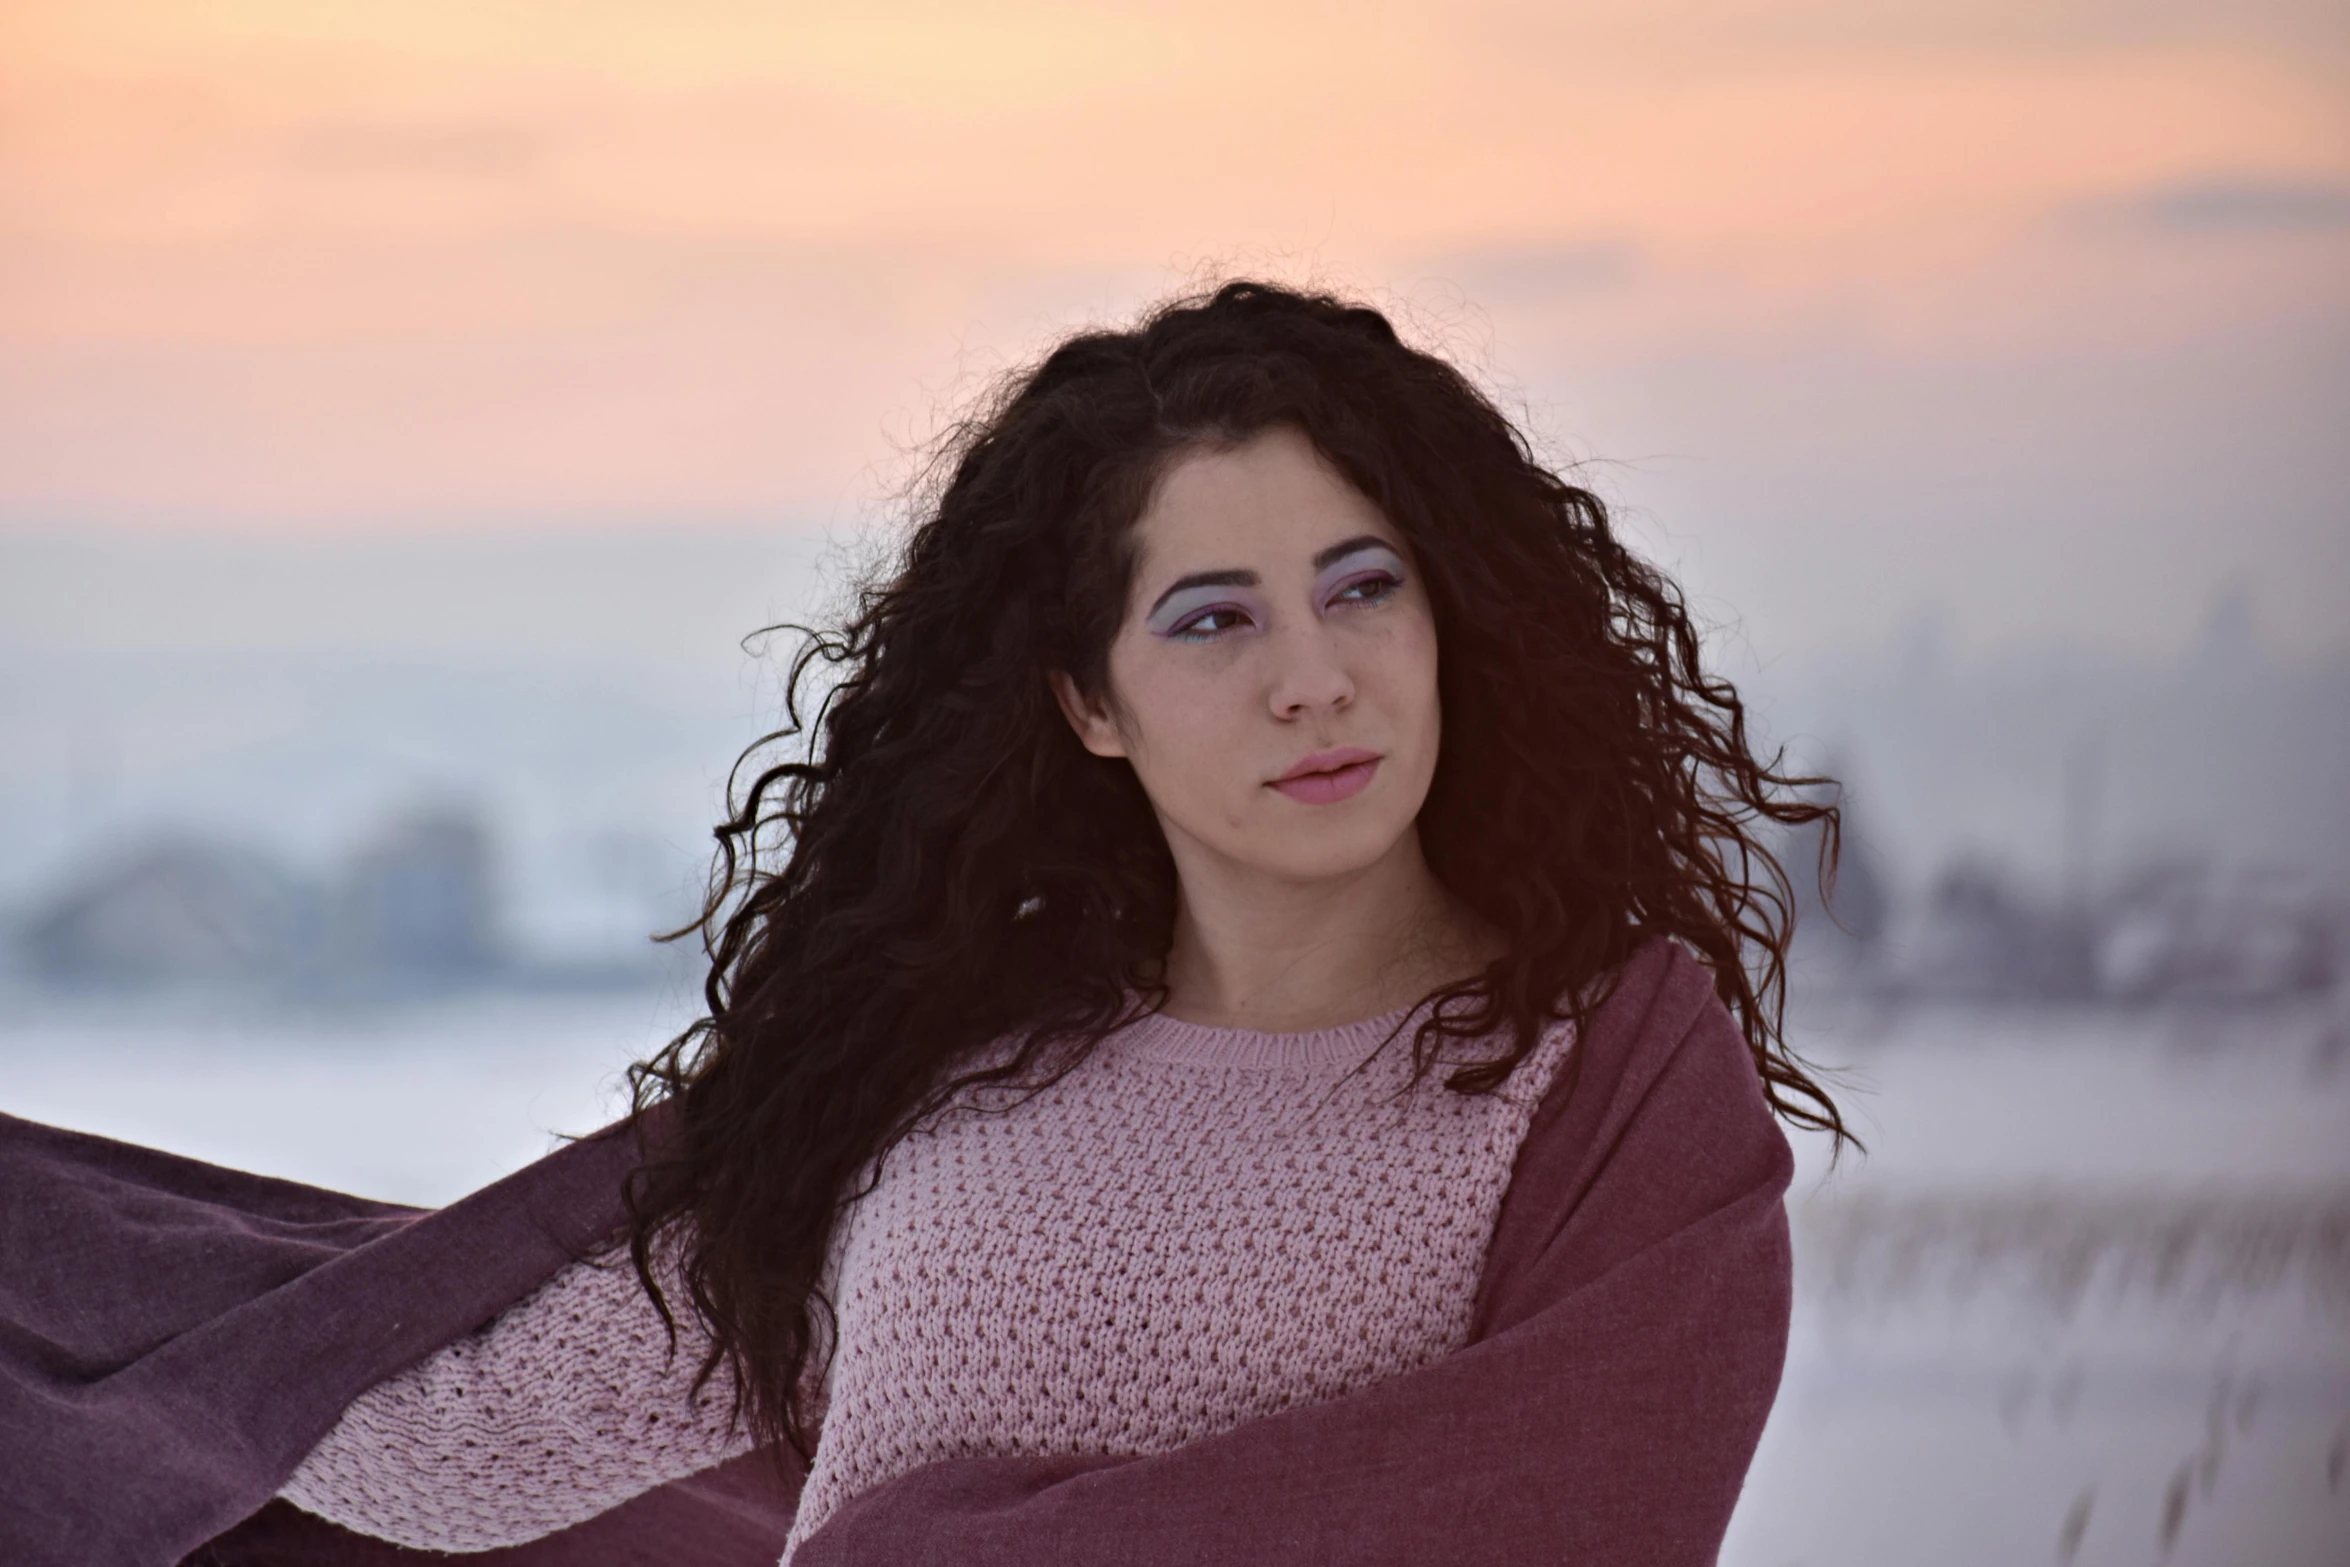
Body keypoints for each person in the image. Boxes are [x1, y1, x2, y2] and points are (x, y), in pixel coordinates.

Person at [2, 279, 1847, 1567]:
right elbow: (447, 1439)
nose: (1316, 677)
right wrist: (103, 1390)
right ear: (1087, 702)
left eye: (1362, 589)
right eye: (1213, 617)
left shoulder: (1595, 1072)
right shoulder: (949, 1070)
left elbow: (1572, 1512)